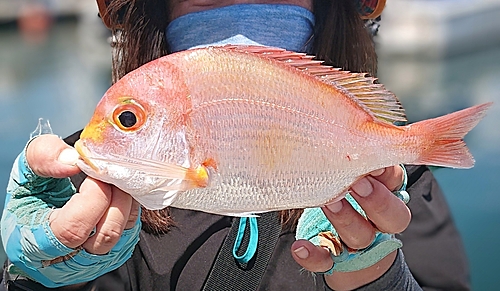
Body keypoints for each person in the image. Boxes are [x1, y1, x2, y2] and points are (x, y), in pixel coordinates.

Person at [1, 0, 470, 290]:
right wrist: (37, 279)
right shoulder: (90, 181)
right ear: (158, 12)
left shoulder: (395, 184)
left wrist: (377, 279)